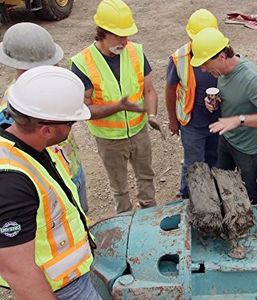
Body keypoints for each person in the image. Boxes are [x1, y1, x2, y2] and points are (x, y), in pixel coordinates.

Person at [0, 66, 99, 299]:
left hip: (74, 271)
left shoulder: (32, 145)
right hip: (61, 287)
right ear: (46, 129)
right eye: (70, 123)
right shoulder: (11, 183)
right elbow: (18, 269)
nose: (73, 127)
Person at [70, 0, 160, 213]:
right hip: (109, 140)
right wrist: (119, 106)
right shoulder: (83, 63)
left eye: (127, 35)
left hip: (139, 132)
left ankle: (150, 216)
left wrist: (153, 114)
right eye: (119, 35)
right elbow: (84, 109)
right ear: (103, 32)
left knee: (146, 178)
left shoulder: (135, 51)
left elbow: (149, 90)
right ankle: (125, 222)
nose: (125, 41)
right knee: (119, 187)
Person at [0, 22, 89, 213]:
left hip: (69, 170)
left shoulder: (51, 90)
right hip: (48, 182)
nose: (57, 66)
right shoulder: (14, 109)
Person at [190, 28, 257, 205]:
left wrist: (239, 120)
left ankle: (250, 215)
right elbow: (231, 97)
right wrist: (214, 103)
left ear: (221, 56)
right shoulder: (221, 72)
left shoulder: (251, 79)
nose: (203, 68)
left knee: (248, 187)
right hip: (227, 139)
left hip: (248, 147)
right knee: (223, 179)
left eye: (205, 63)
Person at [165, 9, 220, 199]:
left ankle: (211, 196)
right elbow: (170, 90)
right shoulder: (179, 58)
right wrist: (173, 120)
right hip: (192, 123)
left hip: (217, 122)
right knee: (194, 164)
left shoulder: (221, 54)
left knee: (214, 159)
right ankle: (187, 197)